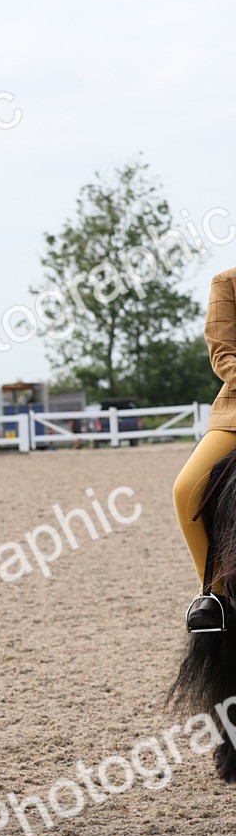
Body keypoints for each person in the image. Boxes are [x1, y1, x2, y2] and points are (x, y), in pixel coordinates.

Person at [174, 267, 236, 632]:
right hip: (235, 413)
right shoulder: (226, 283)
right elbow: (223, 353)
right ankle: (216, 596)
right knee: (186, 488)